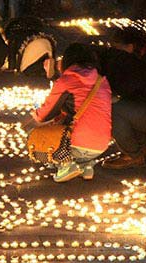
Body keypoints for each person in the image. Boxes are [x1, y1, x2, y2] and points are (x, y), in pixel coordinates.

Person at [30, 43, 112, 183]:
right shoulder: (102, 80)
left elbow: (43, 116)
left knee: (34, 136)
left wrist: (35, 113)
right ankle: (85, 166)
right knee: (67, 123)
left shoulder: (67, 80)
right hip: (101, 145)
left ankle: (65, 164)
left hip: (77, 144)